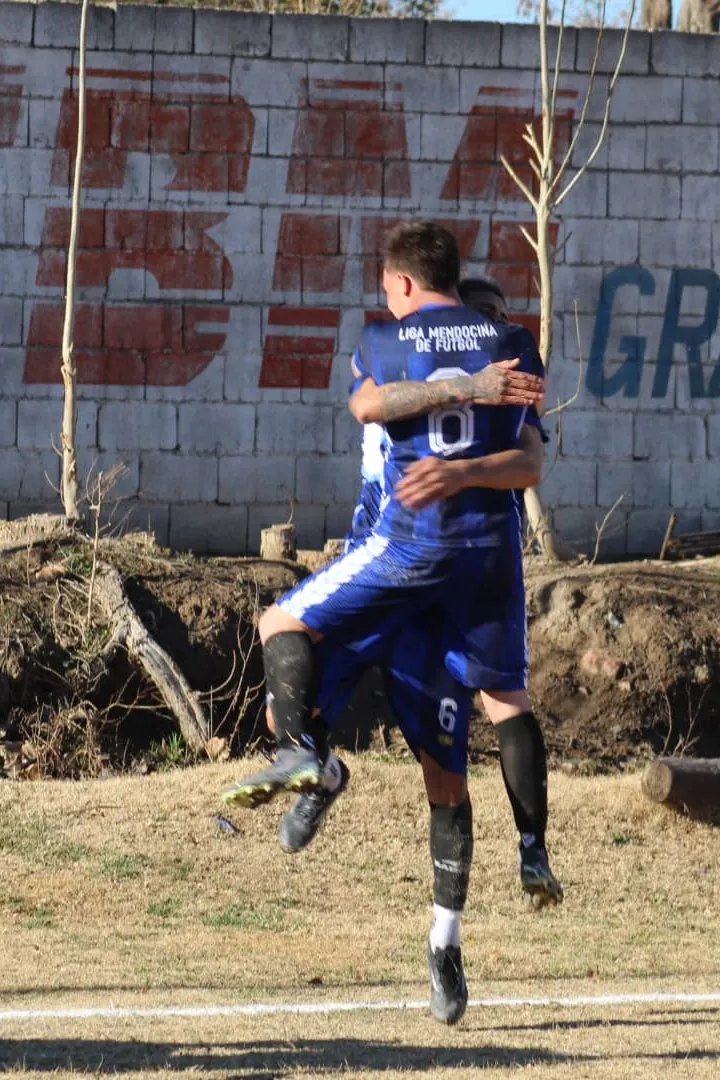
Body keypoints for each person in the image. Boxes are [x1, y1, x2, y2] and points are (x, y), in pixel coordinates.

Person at [223, 221, 554, 1023]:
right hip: (386, 561)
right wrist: (461, 385)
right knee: (282, 705)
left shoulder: (487, 382)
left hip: (436, 585)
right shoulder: (423, 363)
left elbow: (527, 457)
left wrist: (471, 424)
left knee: (446, 772)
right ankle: (322, 769)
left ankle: (445, 945)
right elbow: (373, 400)